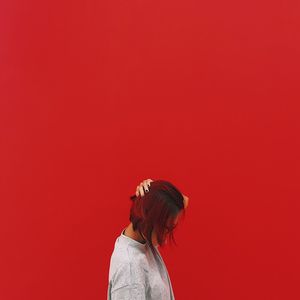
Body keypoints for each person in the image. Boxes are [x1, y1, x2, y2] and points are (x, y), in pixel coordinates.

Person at [107, 178, 189, 300]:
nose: (165, 239)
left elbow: (185, 200)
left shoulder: (140, 241)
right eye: (166, 229)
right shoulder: (130, 270)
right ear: (150, 220)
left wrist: (153, 192)